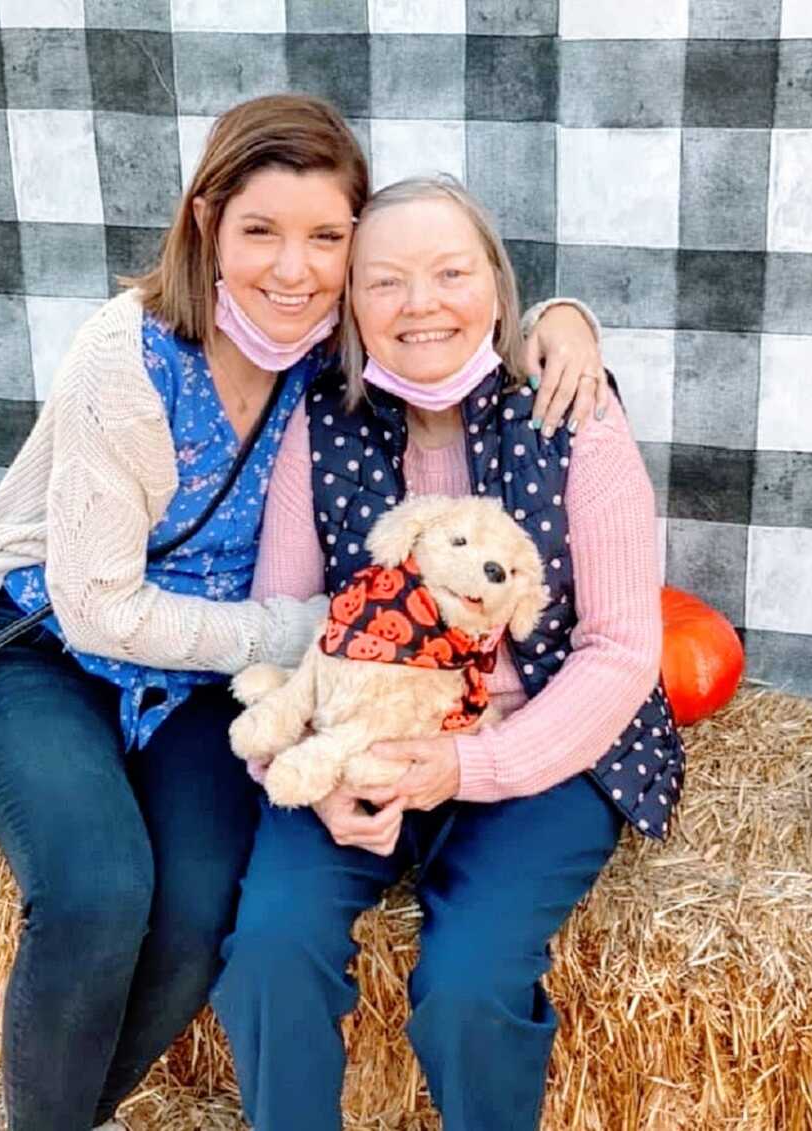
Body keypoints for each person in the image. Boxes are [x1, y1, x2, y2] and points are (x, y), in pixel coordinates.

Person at [0, 96, 605, 1131]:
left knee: (202, 909)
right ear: (206, 224)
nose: (292, 267)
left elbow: (442, 311)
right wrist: (302, 634)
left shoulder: (327, 352)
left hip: (194, 685)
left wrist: (558, 317)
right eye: (259, 231)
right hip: (51, 651)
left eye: (326, 238)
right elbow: (97, 609)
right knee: (97, 891)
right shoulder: (125, 357)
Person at [212, 175, 686, 1131]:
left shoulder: (574, 419)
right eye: (385, 282)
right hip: (367, 730)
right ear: (352, 307)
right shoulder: (322, 424)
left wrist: (471, 764)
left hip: (543, 744)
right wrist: (305, 769)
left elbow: (622, 648)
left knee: (468, 985)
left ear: (499, 291)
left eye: (450, 272)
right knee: (268, 945)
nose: (419, 303)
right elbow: (290, 616)